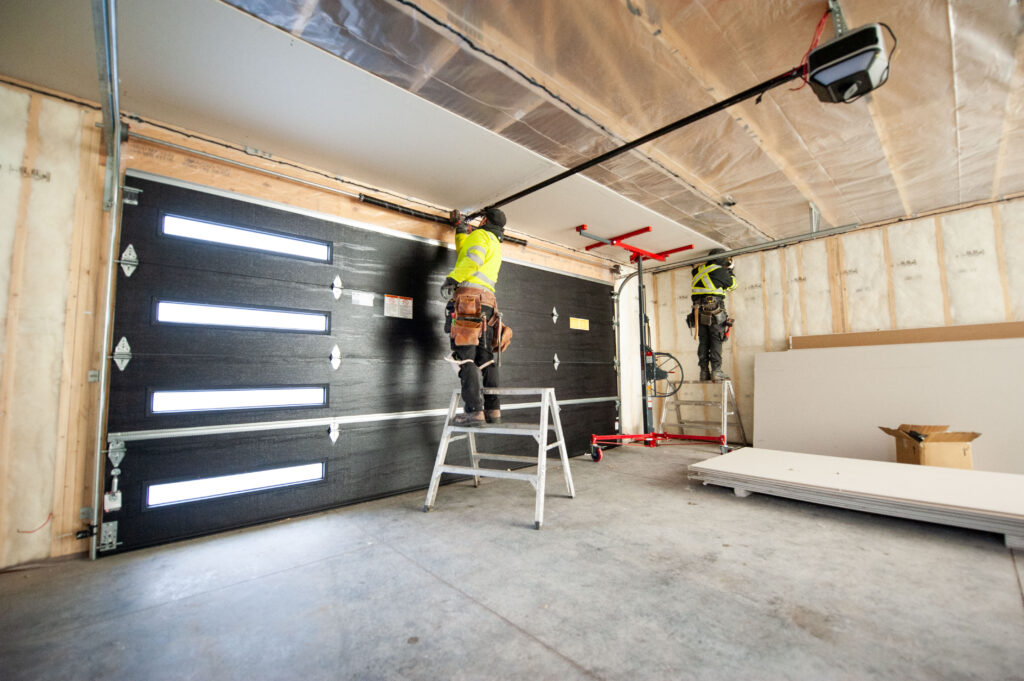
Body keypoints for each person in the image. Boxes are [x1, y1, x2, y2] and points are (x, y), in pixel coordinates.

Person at [440, 206, 509, 426]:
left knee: (465, 357)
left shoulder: (480, 235)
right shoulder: (494, 243)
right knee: (485, 359)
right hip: (487, 305)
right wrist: (460, 231)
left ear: (485, 220)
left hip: (469, 302)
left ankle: (474, 412)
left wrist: (453, 278)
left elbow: (471, 259)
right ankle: (493, 411)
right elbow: (466, 254)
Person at [687, 247, 736, 382]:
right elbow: (733, 286)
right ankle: (716, 371)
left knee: (704, 341)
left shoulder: (696, 270)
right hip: (714, 310)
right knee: (716, 339)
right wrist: (730, 270)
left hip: (697, 311)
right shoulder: (720, 271)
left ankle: (704, 372)